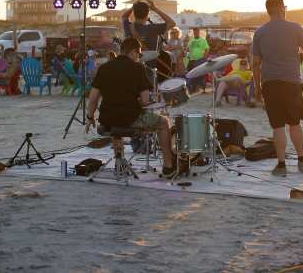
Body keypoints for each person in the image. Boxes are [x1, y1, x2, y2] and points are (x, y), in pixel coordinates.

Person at [85, 37, 176, 177]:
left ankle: (119, 163)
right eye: (139, 55)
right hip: (130, 120)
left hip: (106, 121)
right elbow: (145, 101)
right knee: (164, 122)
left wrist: (90, 117)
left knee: (116, 121)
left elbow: (93, 99)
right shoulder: (138, 68)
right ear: (133, 52)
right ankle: (169, 166)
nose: (139, 58)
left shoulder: (104, 68)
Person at [252, 0, 303, 176]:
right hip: (291, 82)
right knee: (294, 123)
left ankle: (281, 165)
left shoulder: (260, 32)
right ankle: (302, 160)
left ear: (268, 10)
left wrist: (257, 89)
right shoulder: (295, 28)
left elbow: (255, 63)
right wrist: (301, 58)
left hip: (269, 83)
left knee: (277, 126)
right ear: (280, 8)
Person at [186, 28, 210, 92]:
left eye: (197, 32)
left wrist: (204, 58)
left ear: (199, 32)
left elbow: (207, 49)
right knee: (191, 74)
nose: (195, 33)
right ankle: (192, 87)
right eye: (194, 32)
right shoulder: (191, 40)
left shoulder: (203, 40)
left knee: (199, 74)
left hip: (200, 60)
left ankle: (199, 87)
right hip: (192, 60)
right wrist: (188, 56)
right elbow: (187, 50)